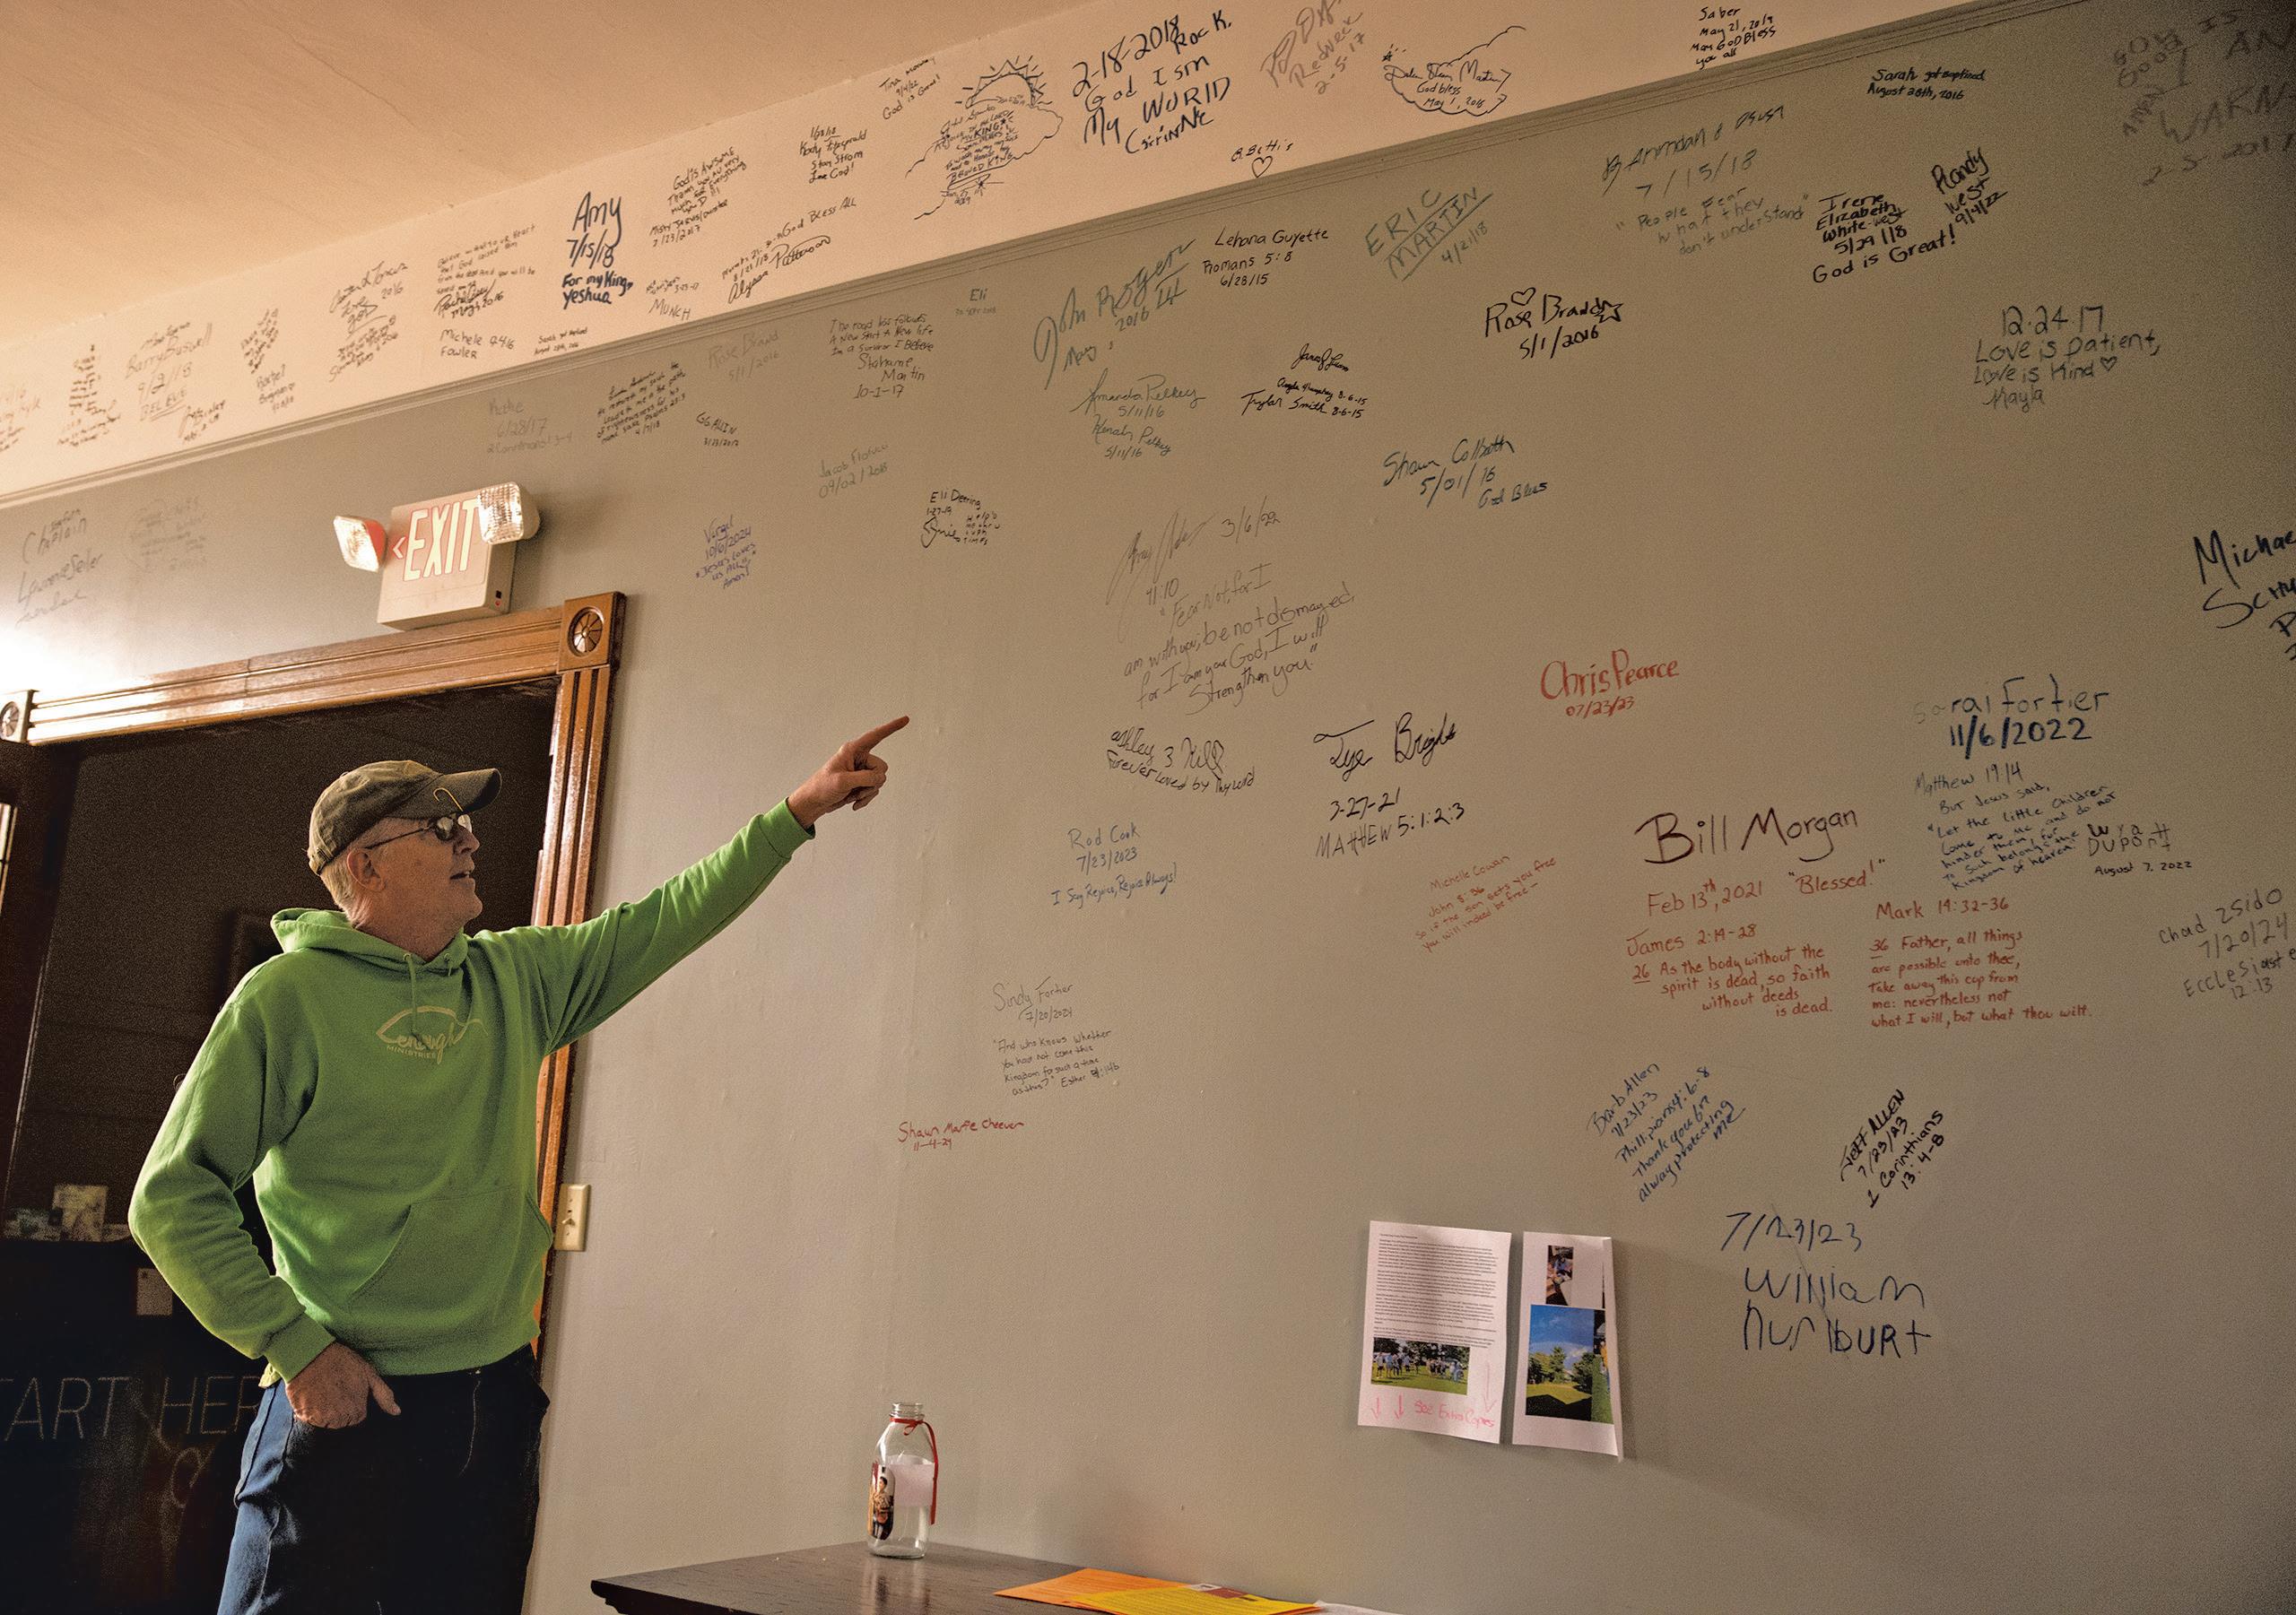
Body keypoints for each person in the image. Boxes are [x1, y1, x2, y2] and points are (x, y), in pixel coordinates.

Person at [128, 716, 909, 1615]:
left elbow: (665, 919)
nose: (470, 841)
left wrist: (798, 811)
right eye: (441, 826)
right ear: (366, 866)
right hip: (342, 1400)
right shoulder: (284, 999)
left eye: (464, 823)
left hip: (487, 1406)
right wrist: (298, 1348)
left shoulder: (514, 978)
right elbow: (171, 1198)